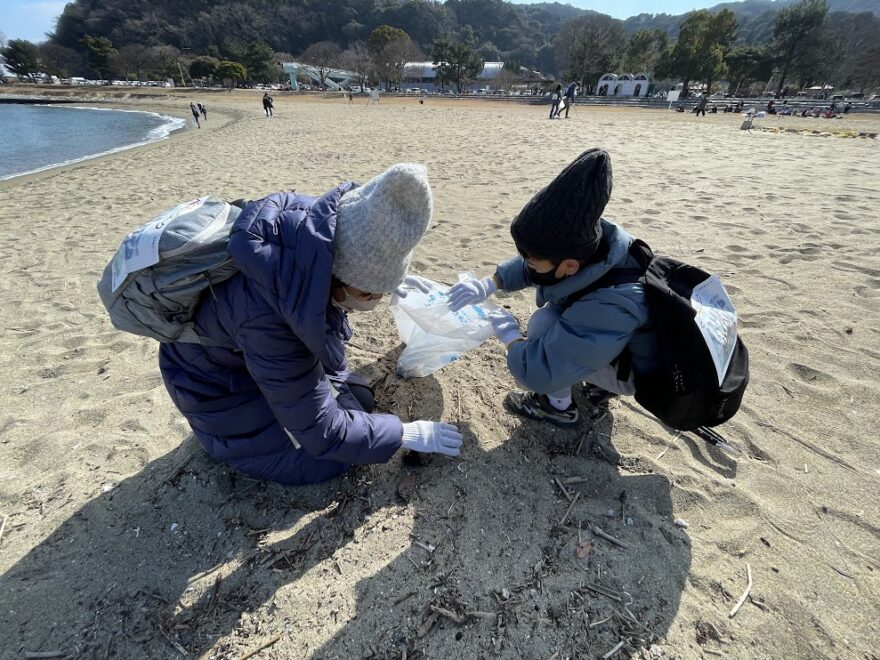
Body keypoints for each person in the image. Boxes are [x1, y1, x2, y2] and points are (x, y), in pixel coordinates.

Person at [159, 164, 463, 484]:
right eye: (368, 293)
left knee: (359, 399)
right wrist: (404, 433)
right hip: (214, 390)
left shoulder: (318, 233)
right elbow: (323, 433)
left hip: (244, 360)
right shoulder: (268, 320)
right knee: (332, 460)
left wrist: (390, 282)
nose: (374, 301)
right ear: (337, 277)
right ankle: (233, 443)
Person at [446, 149, 658, 428]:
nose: (527, 262)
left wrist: (510, 337)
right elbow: (540, 266)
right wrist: (491, 283)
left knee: (543, 325)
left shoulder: (610, 304)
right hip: (616, 343)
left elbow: (539, 372)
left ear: (569, 265)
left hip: (635, 373)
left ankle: (558, 408)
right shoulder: (594, 241)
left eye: (531, 259)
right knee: (558, 323)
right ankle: (596, 381)